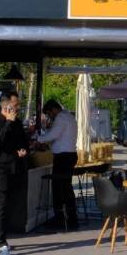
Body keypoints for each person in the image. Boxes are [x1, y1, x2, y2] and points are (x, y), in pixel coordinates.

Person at [0, 94, 28, 255]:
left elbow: (22, 140)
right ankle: (1, 244)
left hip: (14, 167)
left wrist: (23, 149)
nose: (18, 108)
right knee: (0, 203)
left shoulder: (17, 122)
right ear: (6, 106)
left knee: (11, 203)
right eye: (15, 105)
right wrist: (8, 122)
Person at [36, 98, 78, 230]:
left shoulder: (61, 118)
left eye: (49, 113)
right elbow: (58, 135)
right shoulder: (69, 116)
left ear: (54, 109)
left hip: (63, 157)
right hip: (70, 155)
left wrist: (38, 139)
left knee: (59, 189)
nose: (50, 117)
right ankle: (71, 219)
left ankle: (60, 219)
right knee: (66, 188)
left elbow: (53, 135)